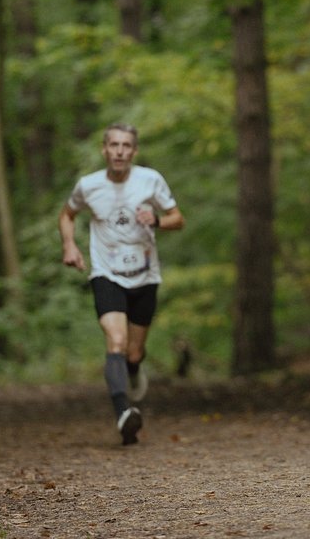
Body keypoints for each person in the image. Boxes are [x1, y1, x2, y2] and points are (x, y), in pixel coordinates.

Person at [59, 122, 185, 445]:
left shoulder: (150, 180)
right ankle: (124, 414)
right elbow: (67, 215)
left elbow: (178, 219)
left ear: (134, 151)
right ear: (104, 150)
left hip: (145, 275)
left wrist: (157, 220)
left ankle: (133, 368)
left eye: (126, 146)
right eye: (114, 145)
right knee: (116, 340)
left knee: (134, 352)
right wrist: (69, 245)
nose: (119, 151)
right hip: (107, 274)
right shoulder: (88, 185)